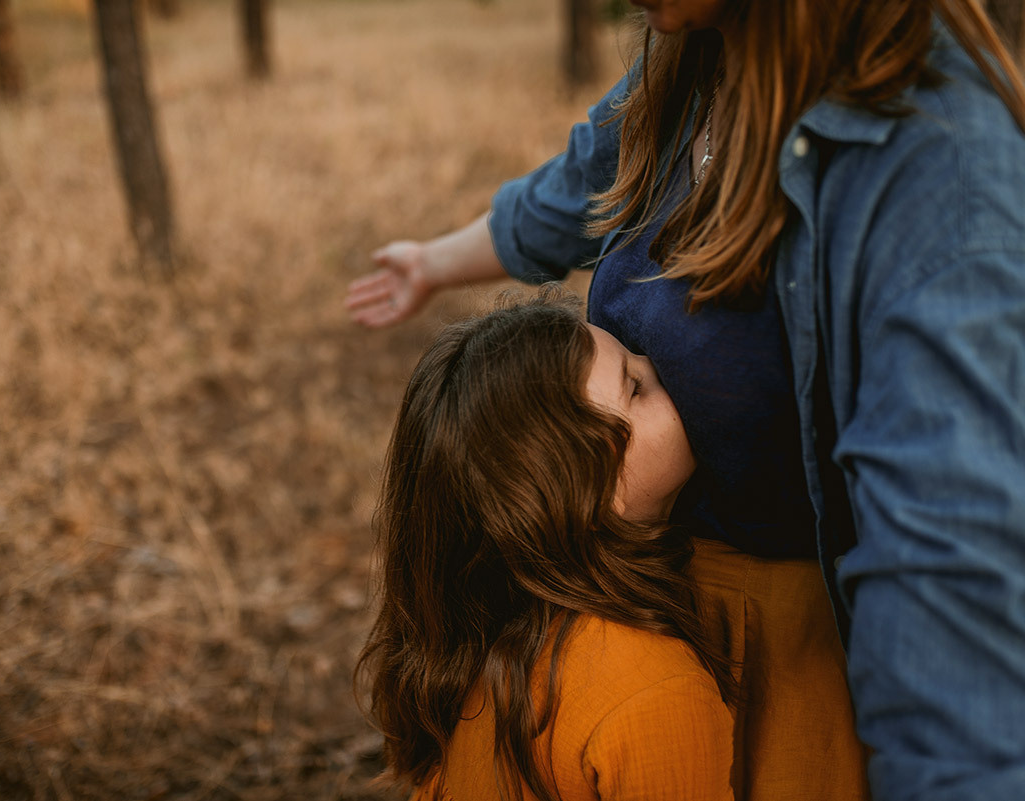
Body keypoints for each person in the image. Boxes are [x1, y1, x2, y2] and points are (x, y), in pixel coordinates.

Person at [346, 2, 1025, 800]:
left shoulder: (945, 180)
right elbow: (577, 187)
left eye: (638, 381)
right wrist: (433, 262)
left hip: (786, 665)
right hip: (631, 588)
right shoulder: (700, 46)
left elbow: (952, 611)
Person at [357, 291, 869, 801]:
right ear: (592, 490)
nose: (658, 361)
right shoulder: (656, 692)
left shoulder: (485, 645)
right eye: (635, 385)